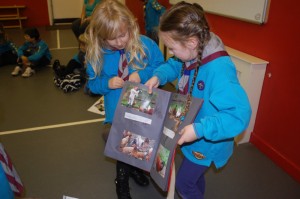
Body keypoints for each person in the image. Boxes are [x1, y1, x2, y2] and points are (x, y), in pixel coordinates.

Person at [145, 2, 252, 199]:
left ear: (192, 42)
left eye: (172, 48)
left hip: (207, 140)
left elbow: (239, 114)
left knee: (184, 184)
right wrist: (158, 76)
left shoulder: (218, 70)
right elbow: (175, 64)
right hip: (191, 130)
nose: (171, 52)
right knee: (194, 178)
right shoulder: (192, 51)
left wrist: (199, 129)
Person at [84, 0, 164, 198]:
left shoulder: (146, 44)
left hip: (145, 107)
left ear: (130, 25)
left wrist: (142, 75)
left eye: (123, 35)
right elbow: (92, 84)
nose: (120, 42)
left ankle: (134, 169)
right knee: (122, 138)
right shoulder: (97, 53)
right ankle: (122, 180)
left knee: (136, 138)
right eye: (112, 38)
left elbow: (161, 67)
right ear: (101, 36)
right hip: (117, 112)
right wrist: (107, 83)